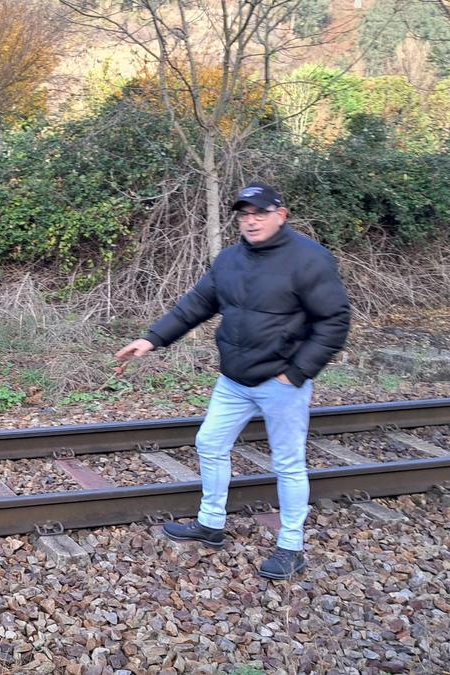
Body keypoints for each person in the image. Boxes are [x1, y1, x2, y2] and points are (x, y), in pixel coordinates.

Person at [115, 182, 350, 580]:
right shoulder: (229, 260)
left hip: (282, 383)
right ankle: (210, 524)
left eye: (259, 213)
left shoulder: (309, 259)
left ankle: (291, 546)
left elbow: (334, 321)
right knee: (209, 442)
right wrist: (152, 338)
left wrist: (295, 373)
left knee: (289, 463)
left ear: (281, 214)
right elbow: (196, 305)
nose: (251, 221)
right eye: (244, 214)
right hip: (234, 379)